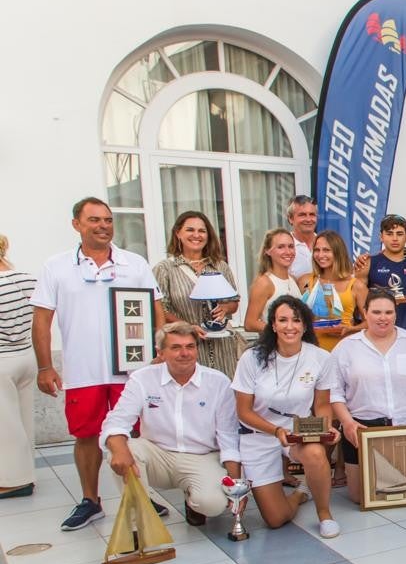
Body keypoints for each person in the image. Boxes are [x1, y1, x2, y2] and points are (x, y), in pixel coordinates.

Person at [32, 197, 166, 530]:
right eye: (94, 220)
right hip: (83, 371)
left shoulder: (134, 264)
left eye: (107, 220)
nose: (103, 226)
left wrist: (160, 350)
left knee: (134, 435)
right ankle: (90, 501)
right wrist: (45, 366)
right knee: (86, 435)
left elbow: (156, 310)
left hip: (131, 370)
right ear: (77, 224)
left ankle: (140, 494)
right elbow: (41, 320)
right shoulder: (56, 266)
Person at [101, 322, 241, 525]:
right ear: (161, 352)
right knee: (121, 447)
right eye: (176, 347)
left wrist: (236, 486)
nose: (184, 353)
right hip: (158, 455)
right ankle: (138, 525)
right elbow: (117, 421)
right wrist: (119, 449)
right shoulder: (142, 378)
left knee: (212, 505)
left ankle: (192, 498)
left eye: (190, 347)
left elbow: (228, 436)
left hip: (201, 456)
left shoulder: (218, 382)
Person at [233, 295, 341, 538]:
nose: (289, 326)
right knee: (276, 519)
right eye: (282, 320)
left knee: (315, 453)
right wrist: (276, 431)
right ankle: (301, 493)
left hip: (298, 429)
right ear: (273, 325)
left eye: (296, 320)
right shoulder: (252, 358)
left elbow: (322, 404)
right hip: (259, 434)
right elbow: (244, 411)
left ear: (305, 325)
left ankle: (324, 513)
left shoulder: (321, 358)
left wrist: (325, 427)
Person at [330, 289, 406, 504]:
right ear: (365, 312)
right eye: (377, 312)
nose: (383, 318)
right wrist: (348, 423)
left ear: (395, 314)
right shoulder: (346, 348)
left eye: (388, 312)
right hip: (362, 430)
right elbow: (335, 393)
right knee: (360, 496)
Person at [152, 211, 243, 378]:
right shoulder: (165, 269)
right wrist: (187, 327)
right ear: (178, 233)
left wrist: (225, 308)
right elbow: (160, 310)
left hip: (222, 347)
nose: (196, 235)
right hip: (186, 347)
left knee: (223, 395)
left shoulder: (220, 266)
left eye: (202, 231)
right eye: (190, 230)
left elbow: (234, 302)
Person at [0, 233, 37, 499]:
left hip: (2, 359)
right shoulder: (25, 277)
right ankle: (26, 473)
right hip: (26, 355)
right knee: (24, 419)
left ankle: (14, 480)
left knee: (6, 424)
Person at [298, 230, 366, 352]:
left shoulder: (356, 285)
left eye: (326, 250)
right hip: (311, 350)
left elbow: (370, 323)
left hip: (345, 351)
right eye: (317, 250)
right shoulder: (305, 281)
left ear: (338, 252)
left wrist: (351, 329)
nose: (320, 255)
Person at [364, 214, 406, 333]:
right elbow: (359, 304)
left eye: (399, 234)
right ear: (381, 237)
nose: (394, 238)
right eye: (389, 234)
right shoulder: (368, 264)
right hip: (379, 333)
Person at [243, 228, 301, 334]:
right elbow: (250, 323)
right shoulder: (264, 283)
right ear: (268, 251)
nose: (288, 252)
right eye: (281, 247)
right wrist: (279, 330)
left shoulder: (293, 279)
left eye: (291, 246)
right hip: (273, 347)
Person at [287, 195, 318, 279]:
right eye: (302, 215)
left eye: (312, 214)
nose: (308, 219)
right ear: (290, 218)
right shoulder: (283, 247)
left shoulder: (326, 243)